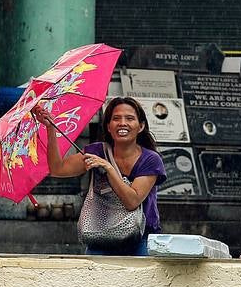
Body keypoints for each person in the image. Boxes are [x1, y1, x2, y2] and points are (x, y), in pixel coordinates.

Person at [33, 95, 166, 256]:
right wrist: (50, 128)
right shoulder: (96, 152)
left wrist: (108, 168)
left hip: (141, 239)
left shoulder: (151, 159)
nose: (122, 123)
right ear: (109, 126)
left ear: (141, 126)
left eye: (130, 118)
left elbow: (132, 201)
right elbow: (57, 169)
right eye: (116, 118)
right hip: (101, 237)